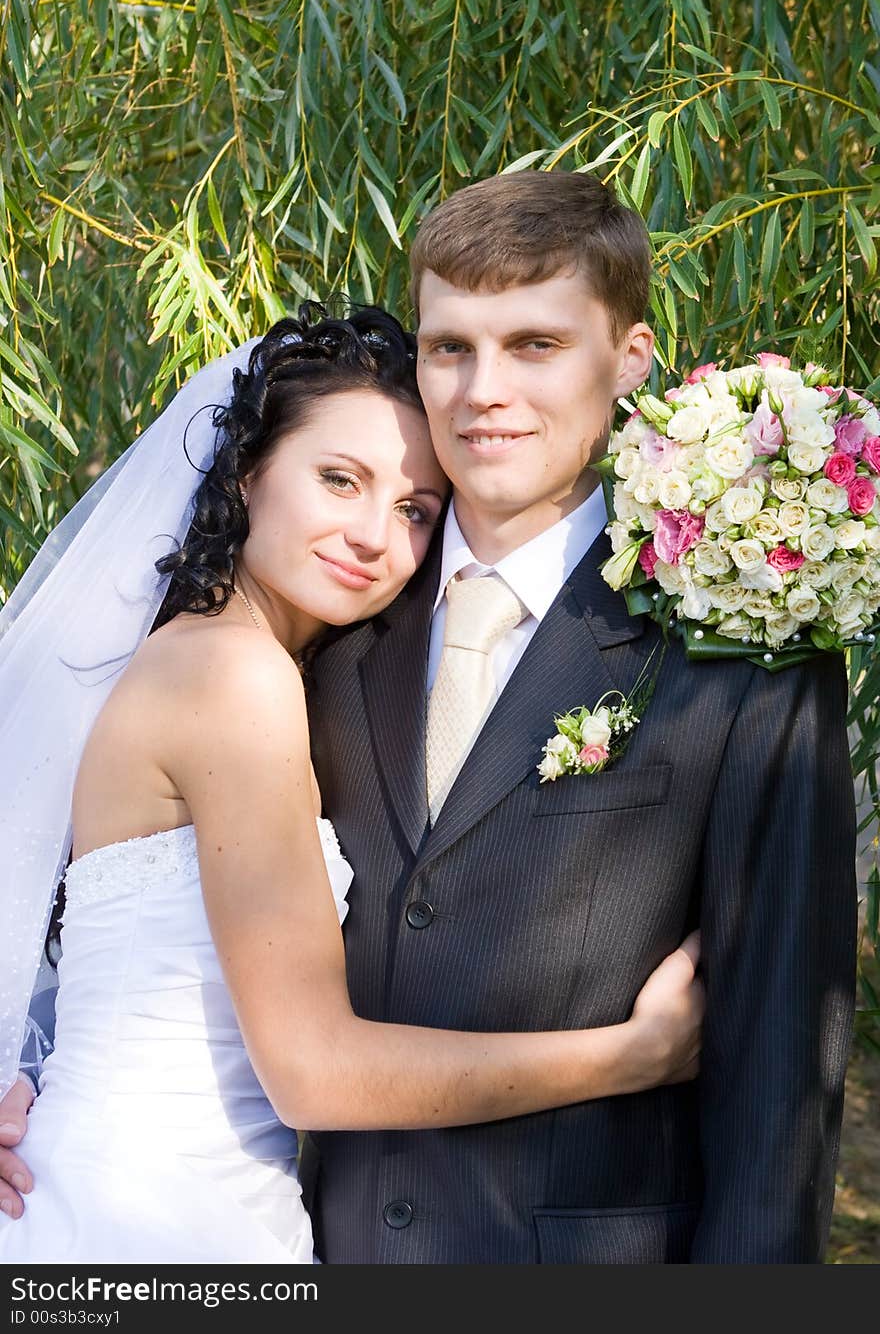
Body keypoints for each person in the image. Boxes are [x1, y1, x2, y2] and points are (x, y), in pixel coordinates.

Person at [0, 305, 702, 1263]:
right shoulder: (232, 679)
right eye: (339, 480)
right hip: (153, 1219)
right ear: (247, 474)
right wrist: (628, 1056)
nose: (375, 535)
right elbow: (313, 1073)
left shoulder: (225, 663)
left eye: (415, 509)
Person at [296, 170, 857, 1263]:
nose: (479, 391)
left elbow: (779, 1085)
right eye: (448, 346)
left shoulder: (740, 651)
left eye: (535, 345)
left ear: (630, 358)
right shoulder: (328, 616)